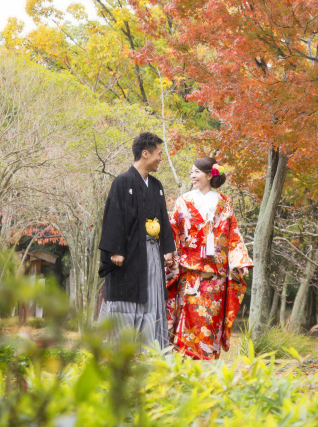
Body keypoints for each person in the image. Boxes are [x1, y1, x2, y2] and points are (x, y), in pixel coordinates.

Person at [166, 157, 253, 360]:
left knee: (211, 317)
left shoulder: (224, 202)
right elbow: (172, 229)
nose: (192, 176)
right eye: (191, 172)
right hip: (189, 270)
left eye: (196, 172)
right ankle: (183, 357)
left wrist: (239, 261)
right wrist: (168, 253)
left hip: (215, 274)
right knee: (188, 314)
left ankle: (207, 359)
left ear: (209, 175)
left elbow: (233, 234)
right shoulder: (183, 201)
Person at [98, 132, 176, 350]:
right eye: (159, 153)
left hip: (152, 253)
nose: (161, 158)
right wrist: (115, 250)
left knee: (152, 299)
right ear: (145, 154)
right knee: (127, 298)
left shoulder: (157, 186)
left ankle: (150, 352)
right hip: (129, 253)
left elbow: (164, 218)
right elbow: (114, 216)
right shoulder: (122, 182)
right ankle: (120, 353)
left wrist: (168, 248)